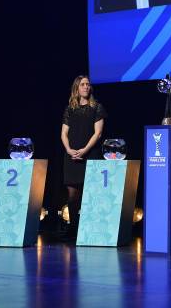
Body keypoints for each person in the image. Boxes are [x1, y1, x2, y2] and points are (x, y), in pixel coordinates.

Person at [60, 75, 106, 238]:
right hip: (71, 156)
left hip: (90, 154)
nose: (86, 87)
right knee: (72, 195)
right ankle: (73, 228)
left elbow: (98, 133)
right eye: (82, 84)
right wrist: (69, 149)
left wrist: (85, 150)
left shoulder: (97, 107)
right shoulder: (70, 109)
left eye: (88, 84)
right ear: (77, 88)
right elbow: (64, 133)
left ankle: (89, 229)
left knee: (90, 193)